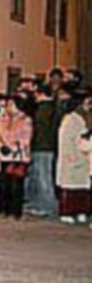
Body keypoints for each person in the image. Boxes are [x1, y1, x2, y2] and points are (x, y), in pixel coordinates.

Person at [56, 93, 92, 225]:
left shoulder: (85, 118)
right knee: (70, 187)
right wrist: (72, 155)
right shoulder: (70, 119)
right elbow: (66, 140)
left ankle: (81, 210)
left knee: (83, 188)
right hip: (72, 156)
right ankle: (67, 212)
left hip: (85, 155)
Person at [0, 96, 33, 219]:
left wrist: (12, 147)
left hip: (18, 155)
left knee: (16, 184)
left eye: (11, 104)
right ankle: (6, 209)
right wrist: (1, 145)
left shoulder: (25, 119)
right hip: (4, 154)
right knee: (4, 183)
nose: (8, 107)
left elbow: (26, 138)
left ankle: (16, 210)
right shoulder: (4, 118)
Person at [26, 85, 60, 217]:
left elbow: (40, 130)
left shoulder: (44, 110)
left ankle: (47, 206)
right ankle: (41, 204)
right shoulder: (52, 108)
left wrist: (32, 143)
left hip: (42, 147)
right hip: (47, 146)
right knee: (41, 176)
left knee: (43, 177)